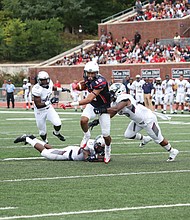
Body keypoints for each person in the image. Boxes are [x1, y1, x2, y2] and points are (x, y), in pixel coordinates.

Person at [93, 83, 179, 162]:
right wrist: (98, 121)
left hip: (148, 120)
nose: (111, 94)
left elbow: (116, 109)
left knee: (158, 139)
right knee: (128, 134)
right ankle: (145, 138)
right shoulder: (116, 102)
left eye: (112, 92)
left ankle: (172, 151)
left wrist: (102, 109)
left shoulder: (124, 98)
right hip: (138, 121)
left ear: (119, 91)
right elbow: (113, 112)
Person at [61, 61, 112, 164]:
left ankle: (108, 150)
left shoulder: (100, 82)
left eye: (92, 73)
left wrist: (70, 104)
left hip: (103, 107)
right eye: (88, 73)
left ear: (96, 73)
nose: (89, 76)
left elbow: (88, 99)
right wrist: (78, 86)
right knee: (83, 120)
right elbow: (84, 84)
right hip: (93, 105)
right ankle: (86, 136)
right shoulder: (88, 79)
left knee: (106, 134)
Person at [32, 71, 70, 143]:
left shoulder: (50, 83)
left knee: (58, 123)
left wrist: (62, 89)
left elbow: (52, 88)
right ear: (39, 81)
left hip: (48, 108)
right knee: (42, 132)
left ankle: (56, 133)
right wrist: (50, 102)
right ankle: (45, 141)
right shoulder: (36, 89)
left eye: (46, 80)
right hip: (40, 111)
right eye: (43, 80)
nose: (45, 82)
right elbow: (38, 105)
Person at [14, 134, 105, 162]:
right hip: (67, 154)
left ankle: (33, 138)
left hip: (71, 150)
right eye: (100, 147)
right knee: (46, 153)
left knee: (51, 150)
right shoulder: (89, 145)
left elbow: (105, 157)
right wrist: (98, 158)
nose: (101, 149)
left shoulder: (98, 146)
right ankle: (27, 138)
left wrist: (102, 157)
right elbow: (88, 158)